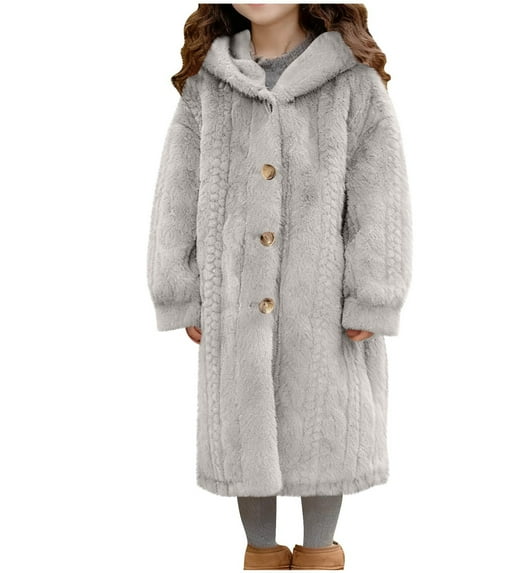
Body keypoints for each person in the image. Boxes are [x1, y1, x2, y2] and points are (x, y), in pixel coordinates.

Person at [146, 3, 413, 570]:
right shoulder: (209, 83)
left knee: (324, 423)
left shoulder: (351, 80)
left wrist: (373, 292)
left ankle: (319, 553)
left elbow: (380, 192)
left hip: (323, 297)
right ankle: (261, 554)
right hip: (233, 295)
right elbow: (178, 187)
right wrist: (181, 288)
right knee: (246, 420)